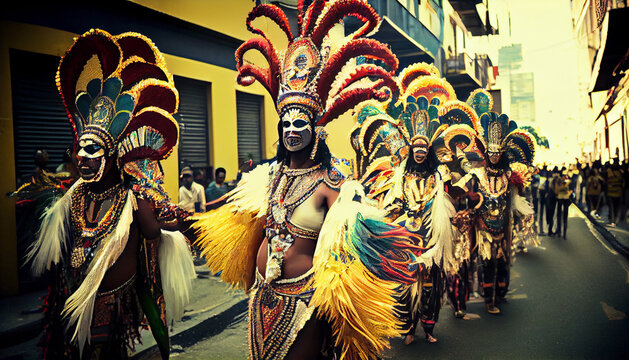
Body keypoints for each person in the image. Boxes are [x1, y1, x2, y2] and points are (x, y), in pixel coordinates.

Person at [191, 2, 427, 359]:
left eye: (299, 123)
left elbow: (354, 242)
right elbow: (234, 221)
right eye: (285, 123)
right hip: (261, 295)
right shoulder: (267, 177)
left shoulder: (334, 182)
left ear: (316, 130)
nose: (291, 131)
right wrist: (185, 223)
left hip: (305, 300)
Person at [25, 29, 195, 359]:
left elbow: (153, 232)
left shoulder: (132, 199)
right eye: (79, 150)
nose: (82, 158)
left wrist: (167, 218)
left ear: (113, 156)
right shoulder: (70, 200)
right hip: (68, 308)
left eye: (92, 150)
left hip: (111, 312)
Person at [554, 170, 572, 239]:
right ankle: (559, 232)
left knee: (564, 216)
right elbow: (557, 190)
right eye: (563, 176)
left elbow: (570, 190)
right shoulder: (559, 182)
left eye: (565, 176)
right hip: (560, 199)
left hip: (565, 199)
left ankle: (564, 233)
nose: (565, 177)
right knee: (560, 216)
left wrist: (568, 192)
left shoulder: (567, 182)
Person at [606, 161, 624, 226]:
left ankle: (612, 221)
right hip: (618, 192)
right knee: (617, 207)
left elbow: (607, 182)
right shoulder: (620, 173)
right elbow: (622, 183)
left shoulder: (609, 173)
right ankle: (616, 221)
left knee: (612, 207)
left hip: (611, 193)